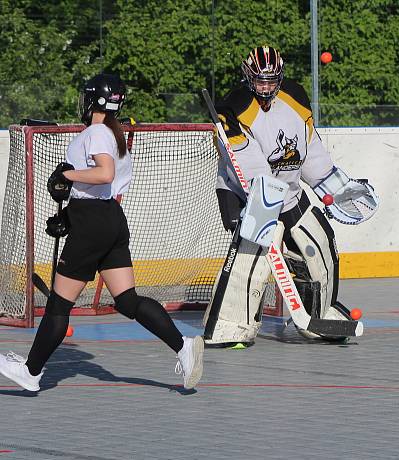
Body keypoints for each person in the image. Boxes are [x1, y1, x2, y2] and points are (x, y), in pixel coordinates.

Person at [0, 73, 204, 392]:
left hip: (93, 224)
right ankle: (184, 346)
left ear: (94, 100)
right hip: (108, 219)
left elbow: (104, 173)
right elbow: (100, 187)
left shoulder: (97, 131)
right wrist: (69, 213)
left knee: (59, 304)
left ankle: (31, 371)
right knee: (127, 301)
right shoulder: (114, 133)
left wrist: (67, 174)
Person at [203, 45, 377, 346]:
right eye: (260, 81)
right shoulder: (232, 106)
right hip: (246, 195)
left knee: (320, 244)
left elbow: (309, 150)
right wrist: (268, 210)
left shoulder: (295, 97)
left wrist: (332, 185)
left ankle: (318, 315)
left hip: (291, 193)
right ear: (248, 76)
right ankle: (229, 326)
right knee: (252, 261)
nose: (266, 87)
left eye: (271, 81)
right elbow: (248, 165)